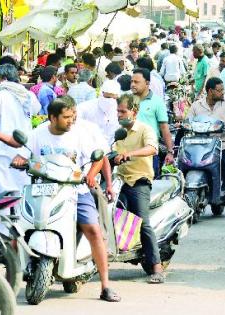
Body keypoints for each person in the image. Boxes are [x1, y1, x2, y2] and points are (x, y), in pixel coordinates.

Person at [0, 97, 121, 301]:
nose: (71, 121)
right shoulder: (39, 134)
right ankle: (9, 285)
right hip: (42, 191)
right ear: (52, 117)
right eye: (66, 117)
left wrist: (90, 174)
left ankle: (106, 285)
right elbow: (19, 143)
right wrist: (3, 142)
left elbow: (98, 158)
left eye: (73, 117)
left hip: (75, 191)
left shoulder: (79, 134)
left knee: (94, 231)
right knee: (16, 231)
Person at [113, 93, 165, 283]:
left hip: (139, 181)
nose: (119, 114)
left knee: (143, 222)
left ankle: (157, 267)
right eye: (118, 111)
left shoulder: (145, 129)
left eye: (123, 111)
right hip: (119, 181)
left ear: (134, 112)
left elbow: (153, 148)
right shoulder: (118, 132)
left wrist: (130, 154)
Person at [187, 77, 225, 220]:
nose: (222, 92)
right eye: (219, 90)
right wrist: (184, 124)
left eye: (223, 89)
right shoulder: (196, 105)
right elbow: (188, 121)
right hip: (200, 144)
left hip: (221, 145)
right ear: (210, 91)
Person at [0, 64, 40, 194]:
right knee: (22, 191)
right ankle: (21, 215)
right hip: (24, 150)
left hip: (2, 151)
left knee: (2, 193)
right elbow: (36, 110)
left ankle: (3, 215)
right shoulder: (28, 95)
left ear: (2, 78)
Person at [131, 68, 174, 173]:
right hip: (130, 152)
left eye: (136, 82)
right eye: (131, 81)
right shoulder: (128, 100)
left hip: (149, 152)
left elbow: (164, 127)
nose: (132, 84)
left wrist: (170, 152)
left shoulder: (157, 102)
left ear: (147, 83)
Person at [77, 80, 120, 146]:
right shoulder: (85, 107)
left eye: (114, 98)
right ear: (101, 94)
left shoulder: (118, 110)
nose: (111, 101)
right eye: (108, 97)